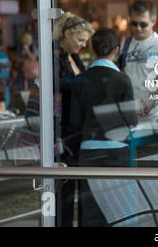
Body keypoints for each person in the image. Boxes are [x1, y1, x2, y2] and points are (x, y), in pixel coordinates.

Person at [70, 27, 137, 226]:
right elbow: (131, 121)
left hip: (89, 151)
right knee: (115, 211)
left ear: (92, 48)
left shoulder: (81, 80)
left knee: (89, 213)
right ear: (116, 50)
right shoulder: (122, 80)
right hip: (117, 153)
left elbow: (75, 120)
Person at [53, 12, 95, 227]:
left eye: (85, 41)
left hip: (78, 130)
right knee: (65, 192)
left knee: (78, 191)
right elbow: (57, 84)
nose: (82, 45)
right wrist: (82, 83)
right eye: (80, 40)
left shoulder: (74, 57)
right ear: (67, 34)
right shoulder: (55, 57)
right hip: (64, 133)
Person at [118, 0, 158, 122]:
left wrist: (153, 102)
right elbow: (122, 74)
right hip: (128, 114)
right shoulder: (125, 43)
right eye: (134, 23)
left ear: (153, 21)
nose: (138, 28)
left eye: (143, 24)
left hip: (152, 116)